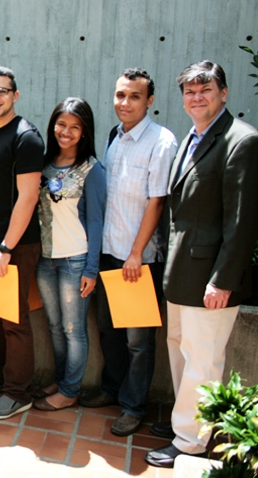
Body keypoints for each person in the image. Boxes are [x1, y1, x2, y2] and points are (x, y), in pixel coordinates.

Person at [145, 61, 258, 468]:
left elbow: (242, 222)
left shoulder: (240, 141)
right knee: (181, 351)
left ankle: (192, 440)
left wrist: (223, 280)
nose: (197, 98)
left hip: (211, 278)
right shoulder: (193, 137)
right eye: (190, 92)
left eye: (205, 90)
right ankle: (184, 423)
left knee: (203, 359)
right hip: (182, 273)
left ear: (224, 93)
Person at [80, 68, 177, 437]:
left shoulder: (161, 142)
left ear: (149, 100)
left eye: (134, 96)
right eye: (121, 95)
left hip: (139, 259)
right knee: (109, 330)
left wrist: (137, 253)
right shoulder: (114, 137)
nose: (125, 102)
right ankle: (111, 389)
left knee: (138, 340)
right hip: (108, 253)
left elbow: (156, 201)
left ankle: (134, 406)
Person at [0, 66, 45, 420]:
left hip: (15, 246)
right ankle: (3, 377)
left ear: (16, 95)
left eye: (2, 91)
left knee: (15, 321)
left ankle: (19, 392)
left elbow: (28, 197)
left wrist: (6, 247)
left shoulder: (26, 137)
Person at [33, 98, 105, 411]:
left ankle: (70, 390)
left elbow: (97, 220)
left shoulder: (92, 169)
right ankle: (61, 381)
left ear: (85, 132)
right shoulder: (44, 163)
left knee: (74, 330)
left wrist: (91, 268)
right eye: (61, 124)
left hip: (76, 259)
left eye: (75, 127)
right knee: (54, 326)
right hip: (46, 259)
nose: (66, 132)